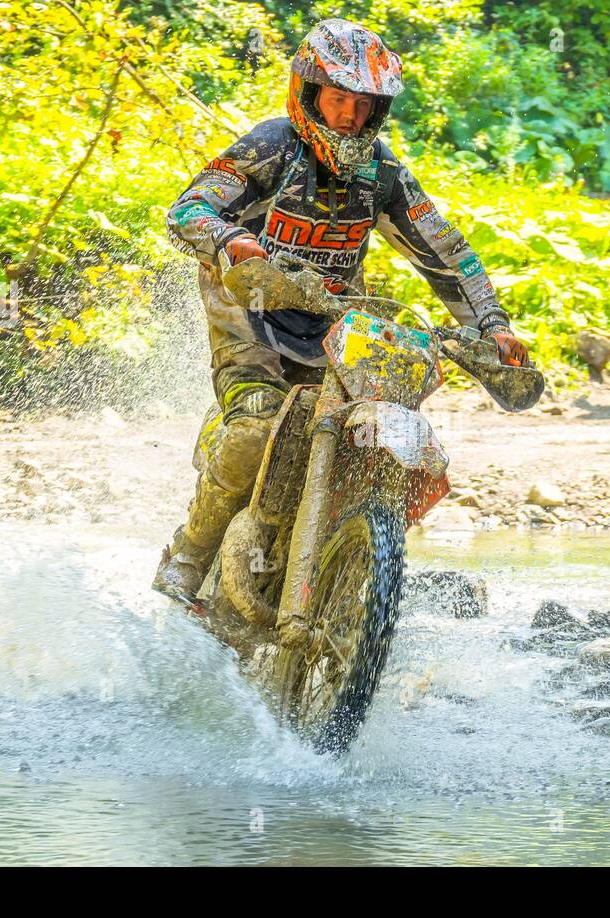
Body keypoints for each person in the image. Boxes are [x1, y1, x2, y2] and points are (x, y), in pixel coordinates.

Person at [153, 18, 528, 601]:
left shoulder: (385, 176)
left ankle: (353, 564)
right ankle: (188, 553)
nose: (349, 117)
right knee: (256, 426)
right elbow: (189, 209)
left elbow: (447, 255)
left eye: (362, 104)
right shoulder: (271, 146)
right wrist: (229, 241)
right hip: (246, 315)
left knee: (384, 438)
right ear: (308, 92)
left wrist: (493, 326)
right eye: (336, 99)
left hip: (331, 321)